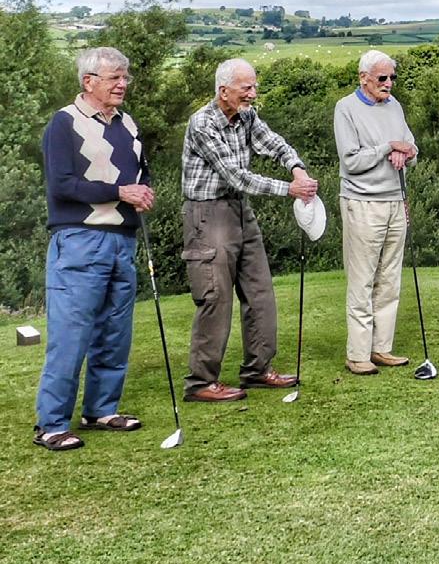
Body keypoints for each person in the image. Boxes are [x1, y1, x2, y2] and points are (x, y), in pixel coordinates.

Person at [34, 47, 155, 451]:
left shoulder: (128, 124)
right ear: (89, 81)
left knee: (115, 332)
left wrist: (142, 193)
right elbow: (62, 186)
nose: (122, 84)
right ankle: (51, 424)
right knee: (71, 334)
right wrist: (121, 192)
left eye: (125, 77)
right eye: (114, 77)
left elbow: (140, 172)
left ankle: (101, 409)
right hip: (79, 239)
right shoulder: (64, 122)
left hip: (123, 239)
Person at [180, 58, 317, 401]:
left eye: (254, 86)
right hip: (207, 214)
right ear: (223, 90)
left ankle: (257, 370)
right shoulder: (202, 123)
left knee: (260, 293)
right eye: (247, 88)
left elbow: (275, 143)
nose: (253, 94)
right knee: (215, 297)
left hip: (240, 209)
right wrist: (289, 189)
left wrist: (297, 168)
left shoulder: (247, 116)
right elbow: (235, 175)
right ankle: (201, 383)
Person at [333, 50, 418, 376]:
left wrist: (405, 153)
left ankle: (382, 348)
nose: (389, 83)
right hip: (363, 203)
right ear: (363, 78)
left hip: (396, 200)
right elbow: (351, 161)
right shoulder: (346, 108)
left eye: (392, 77)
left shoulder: (395, 106)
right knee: (362, 279)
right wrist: (388, 148)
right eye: (382, 78)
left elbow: (412, 147)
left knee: (390, 278)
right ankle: (358, 355)